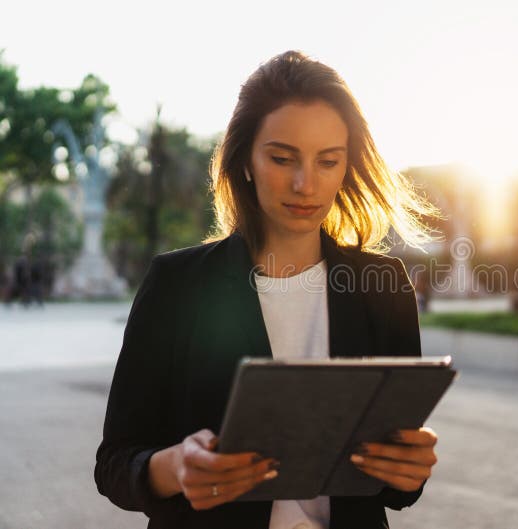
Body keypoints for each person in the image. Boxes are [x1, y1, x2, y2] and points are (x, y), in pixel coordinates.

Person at [94, 51, 441, 529]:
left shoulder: (382, 288)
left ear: (346, 167)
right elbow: (115, 463)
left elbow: (396, 491)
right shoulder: (177, 285)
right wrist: (174, 467)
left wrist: (409, 470)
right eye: (282, 158)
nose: (305, 183)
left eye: (328, 161)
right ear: (247, 161)